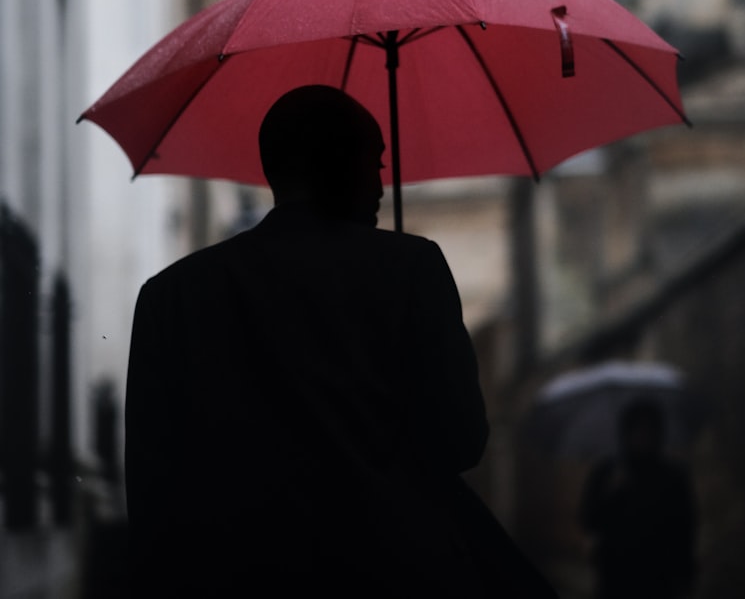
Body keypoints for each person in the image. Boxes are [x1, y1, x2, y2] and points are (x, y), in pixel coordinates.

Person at [125, 85, 558, 597]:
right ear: (335, 163)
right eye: (373, 162)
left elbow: (151, 493)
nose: (380, 183)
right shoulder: (412, 269)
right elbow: (461, 440)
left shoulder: (170, 297)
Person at [580, 397, 697, 599]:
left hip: (661, 580)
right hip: (615, 579)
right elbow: (588, 520)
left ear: (659, 434)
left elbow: (685, 528)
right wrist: (611, 493)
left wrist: (685, 577)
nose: (643, 437)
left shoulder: (673, 476)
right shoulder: (608, 471)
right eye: (637, 430)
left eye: (649, 431)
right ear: (626, 433)